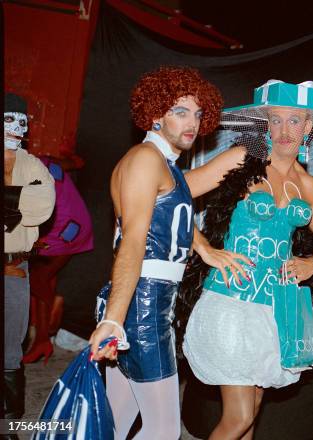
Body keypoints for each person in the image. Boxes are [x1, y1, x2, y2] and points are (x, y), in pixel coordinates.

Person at [182, 79, 313, 440]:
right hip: (231, 301)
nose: (284, 130)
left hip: (274, 309)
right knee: (240, 415)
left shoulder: (308, 186)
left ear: (308, 128)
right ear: (266, 125)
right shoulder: (242, 159)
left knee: (254, 410)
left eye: (294, 121)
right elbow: (171, 193)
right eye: (275, 120)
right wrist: (204, 248)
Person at [87, 66, 223, 439]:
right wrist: (114, 319)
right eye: (180, 111)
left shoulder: (167, 168)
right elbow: (133, 240)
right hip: (142, 302)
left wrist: (205, 248)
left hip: (147, 301)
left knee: (114, 422)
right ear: (154, 115)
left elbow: (170, 213)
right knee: (163, 431)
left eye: (197, 113)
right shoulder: (146, 160)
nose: (191, 122)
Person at [3, 92, 55, 427]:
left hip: (13, 269)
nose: (19, 126)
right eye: (10, 118)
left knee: (9, 350)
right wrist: (17, 200)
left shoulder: (34, 166)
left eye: (23, 120)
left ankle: (8, 420)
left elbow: (41, 208)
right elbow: (27, 205)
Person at [23, 156, 94, 364]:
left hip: (64, 232)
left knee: (37, 279)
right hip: (76, 221)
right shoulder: (41, 160)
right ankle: (43, 341)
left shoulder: (28, 177)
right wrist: (77, 162)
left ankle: (49, 323)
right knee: (42, 278)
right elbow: (73, 163)